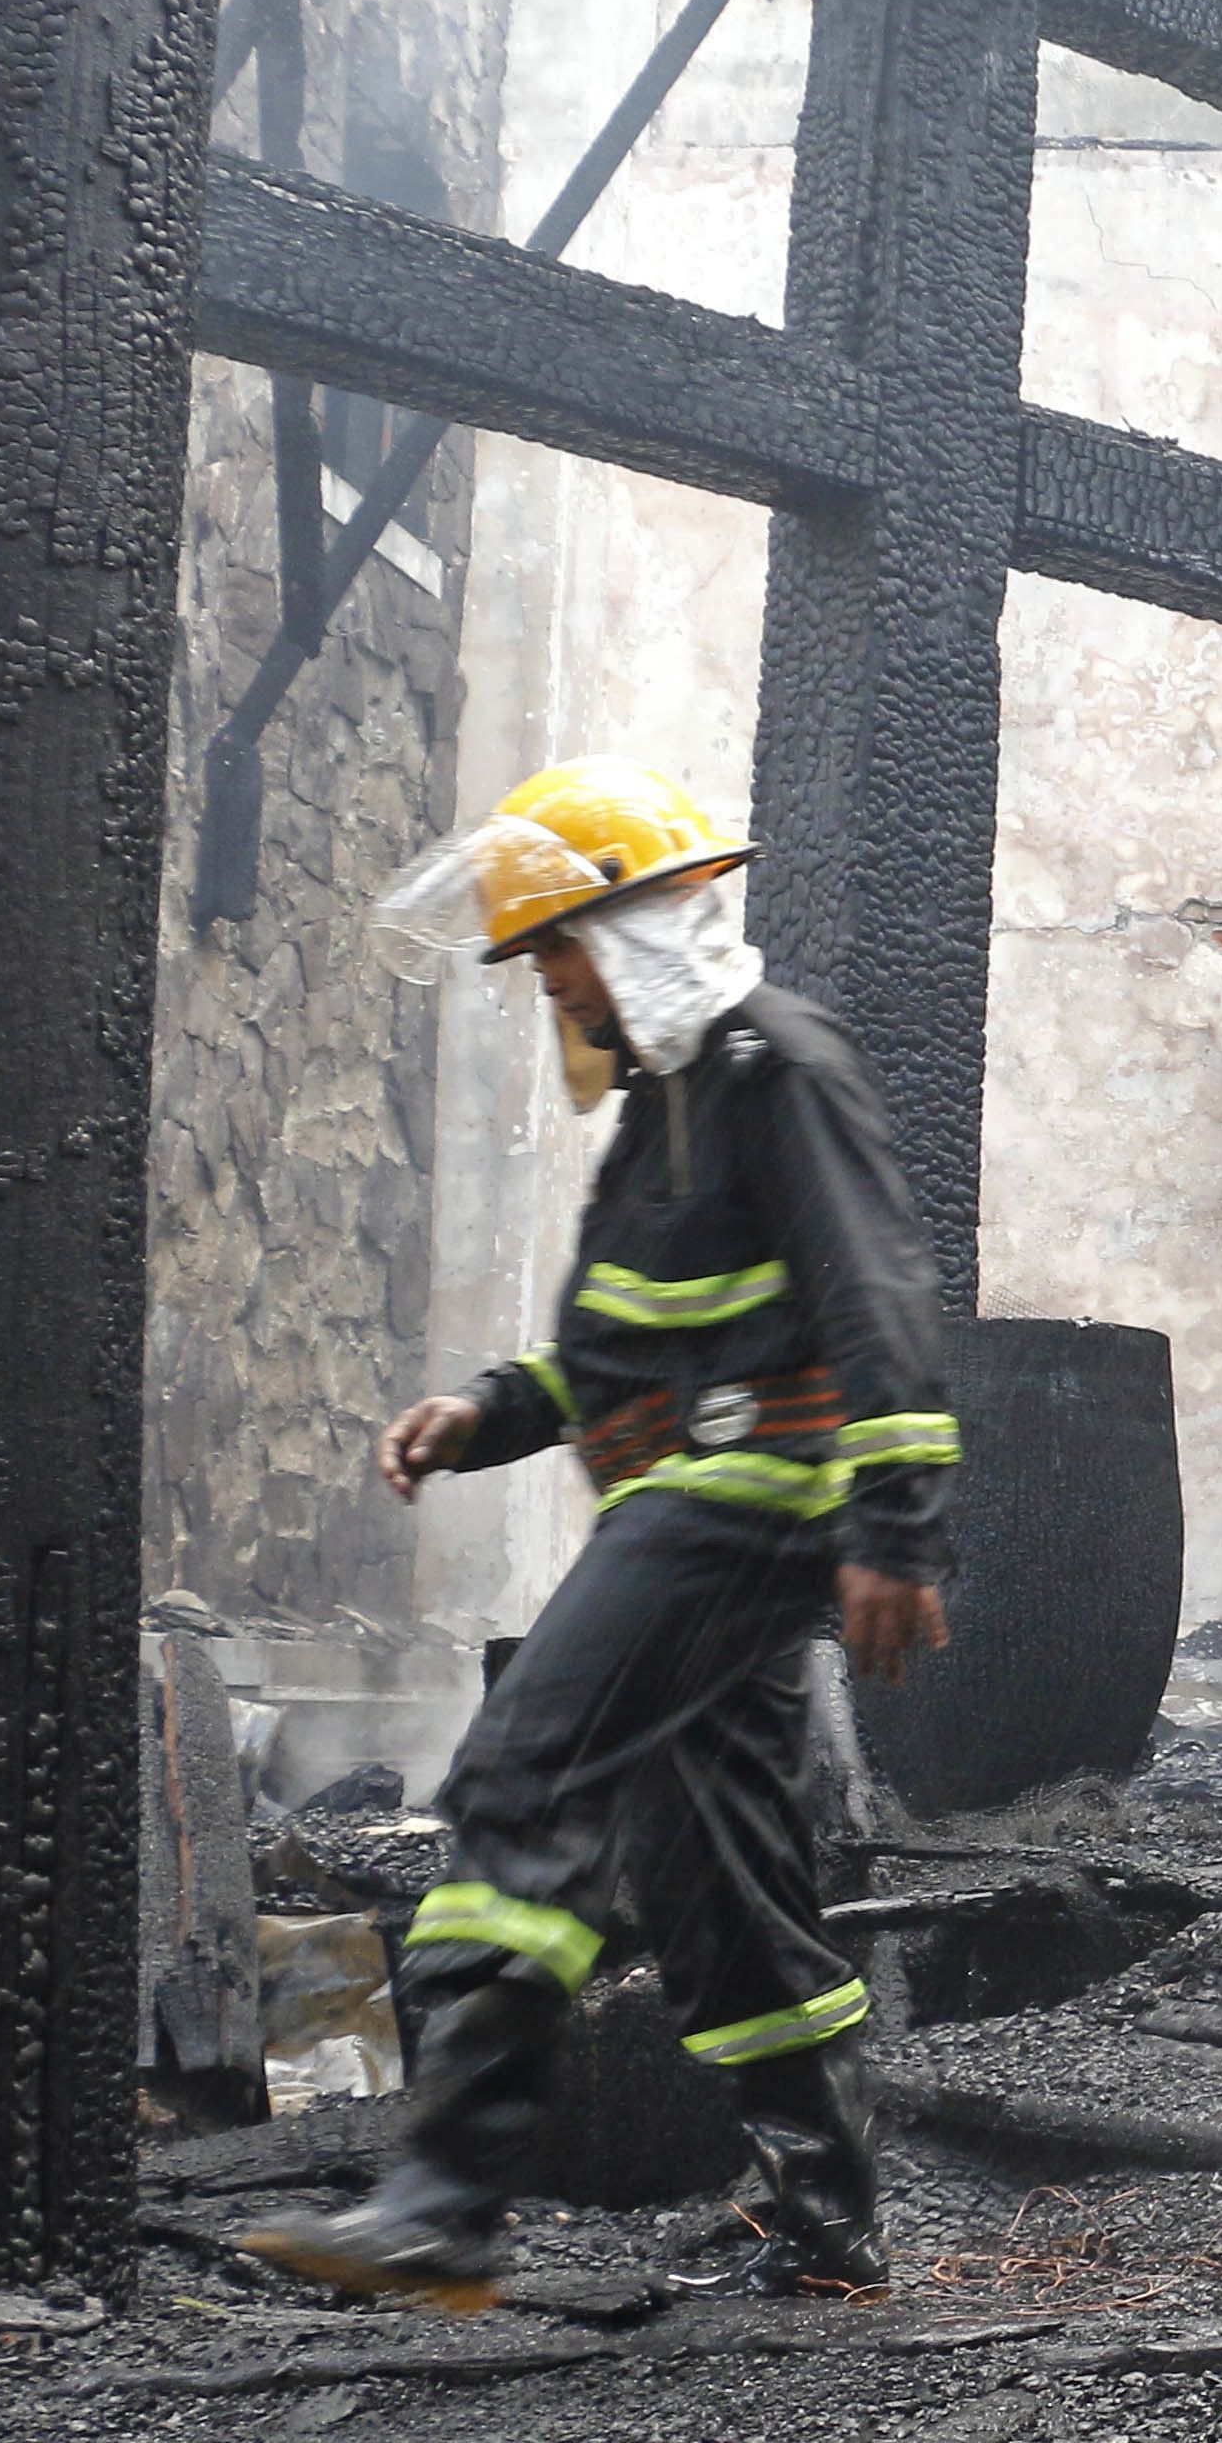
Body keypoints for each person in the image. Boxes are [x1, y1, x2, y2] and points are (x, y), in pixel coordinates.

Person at [241, 759, 956, 2311]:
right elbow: (630, 1344)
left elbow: (878, 1293)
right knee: (719, 1885)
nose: (546, 981)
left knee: (520, 1776)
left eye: (555, 945)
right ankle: (833, 2222)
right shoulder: (670, 1101)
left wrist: (897, 1526)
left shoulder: (775, 1063)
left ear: (631, 923)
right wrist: (487, 1415)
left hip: (741, 1501)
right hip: (695, 1503)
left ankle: (443, 2196)